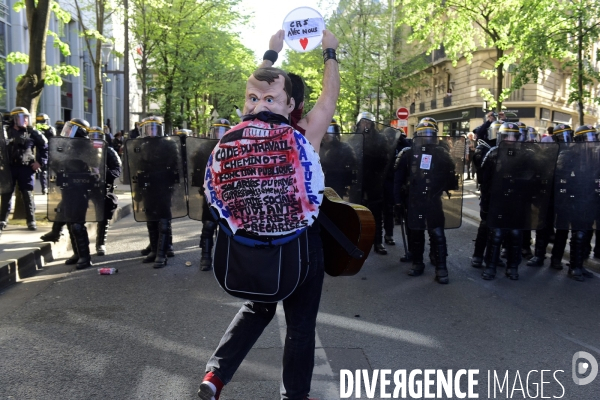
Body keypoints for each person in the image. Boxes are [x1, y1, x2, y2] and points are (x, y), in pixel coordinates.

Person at [197, 29, 340, 400]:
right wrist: (330, 52)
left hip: (251, 238)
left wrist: (271, 54)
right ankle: (295, 396)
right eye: (258, 98)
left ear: (286, 102)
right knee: (301, 324)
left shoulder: (239, 130)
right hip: (299, 241)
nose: (260, 101)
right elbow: (329, 99)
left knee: (256, 306)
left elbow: (256, 87)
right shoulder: (305, 132)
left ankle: (215, 375)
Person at [0, 107, 48, 233]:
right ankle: (3, 220)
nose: (25, 120)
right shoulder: (5, 132)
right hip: (9, 168)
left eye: (26, 117)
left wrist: (40, 162)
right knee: (6, 194)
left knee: (27, 195)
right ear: (14, 119)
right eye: (22, 117)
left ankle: (31, 221)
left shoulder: (32, 132)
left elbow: (45, 147)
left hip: (26, 168)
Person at [198, 119, 230, 271]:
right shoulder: (205, 148)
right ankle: (205, 256)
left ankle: (224, 258)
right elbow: (197, 169)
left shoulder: (232, 148)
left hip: (227, 194)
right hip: (210, 193)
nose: (220, 134)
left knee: (226, 227)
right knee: (208, 225)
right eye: (218, 131)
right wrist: (200, 186)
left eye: (223, 131)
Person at [88, 126, 121, 256]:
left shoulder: (109, 151)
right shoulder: (83, 151)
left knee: (103, 212)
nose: (94, 140)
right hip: (84, 186)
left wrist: (102, 173)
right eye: (92, 137)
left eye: (97, 137)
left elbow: (117, 170)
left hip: (102, 187)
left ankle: (100, 243)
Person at [35, 113, 56, 195]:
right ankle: (52, 188)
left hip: (38, 151)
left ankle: (44, 188)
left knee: (42, 171)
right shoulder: (50, 128)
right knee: (51, 171)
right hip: (49, 151)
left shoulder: (35, 128)